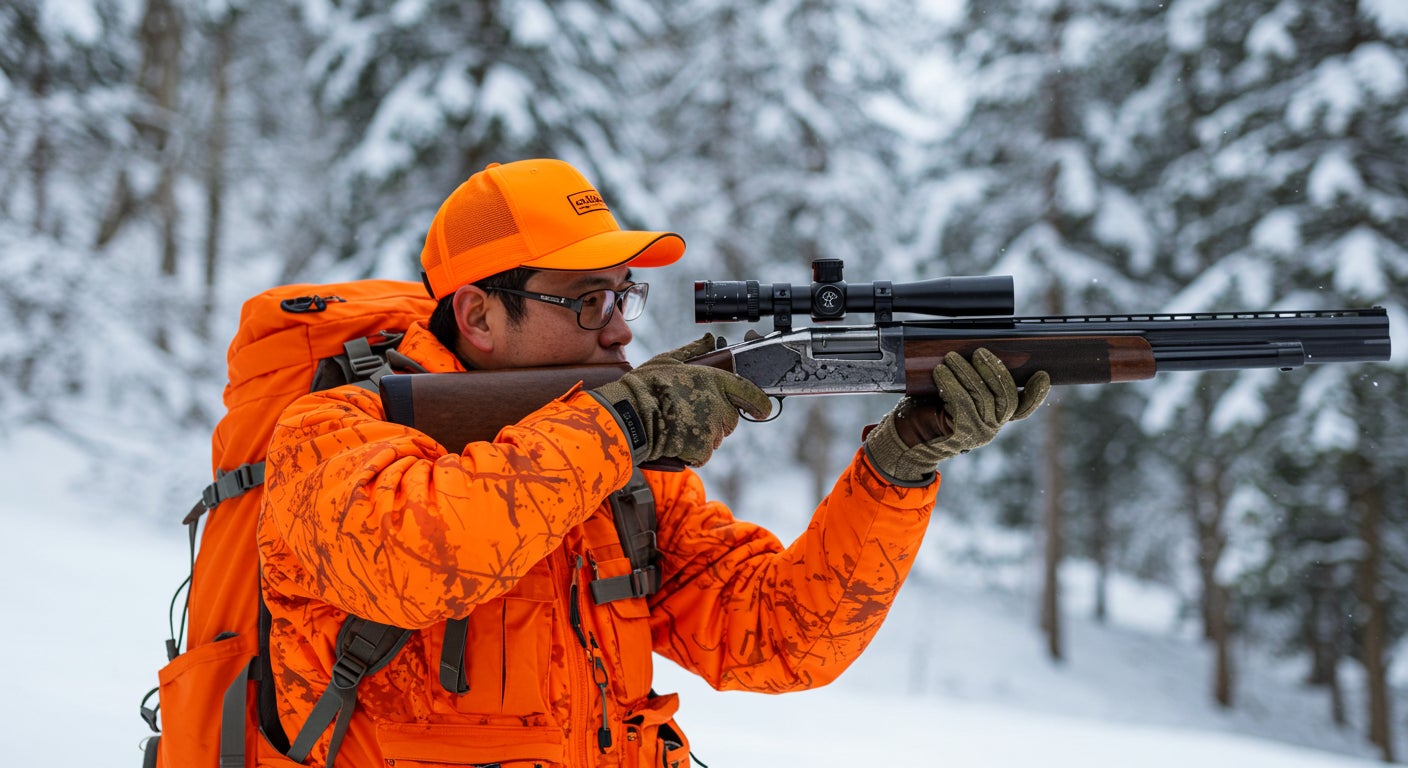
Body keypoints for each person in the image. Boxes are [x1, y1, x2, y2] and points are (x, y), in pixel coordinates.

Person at [258, 158, 1049, 768]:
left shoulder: (613, 478)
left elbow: (782, 637)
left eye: (622, 298)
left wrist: (899, 465)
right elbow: (421, 557)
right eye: (588, 303)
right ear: (478, 314)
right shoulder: (333, 431)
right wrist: (623, 421)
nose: (620, 336)